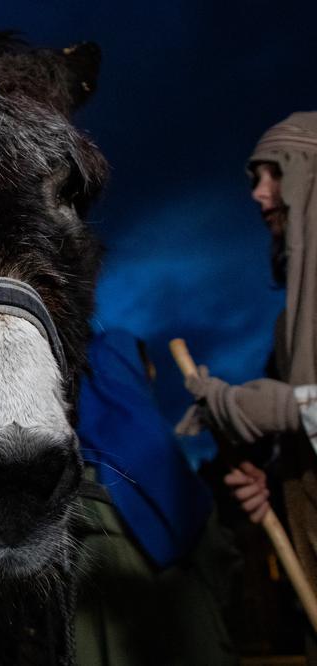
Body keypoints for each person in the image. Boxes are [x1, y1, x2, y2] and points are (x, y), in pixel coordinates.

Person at [178, 111, 317, 660]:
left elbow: (294, 409)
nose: (259, 194)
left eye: (273, 173)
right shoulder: (288, 328)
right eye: (254, 179)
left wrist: (288, 409)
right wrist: (278, 480)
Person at [74, 329, 239, 665]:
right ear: (132, 370)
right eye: (147, 371)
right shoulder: (158, 456)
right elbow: (217, 555)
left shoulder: (67, 482)